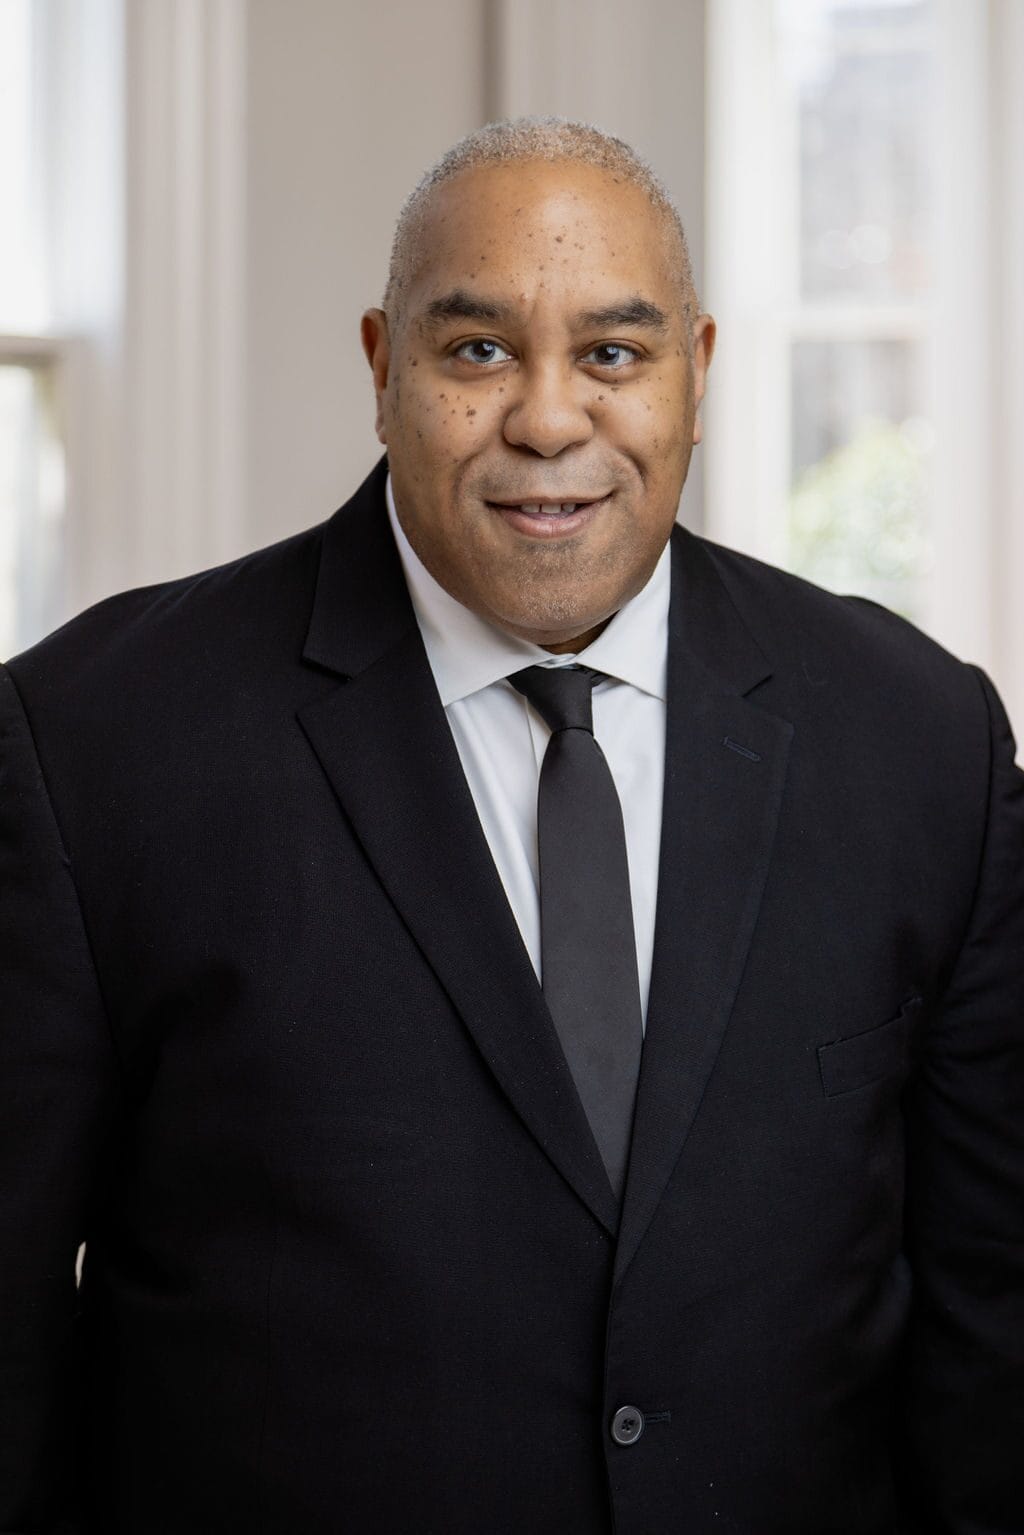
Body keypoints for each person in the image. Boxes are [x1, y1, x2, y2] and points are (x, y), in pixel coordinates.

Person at [1, 117, 1021, 1535]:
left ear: (699, 374)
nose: (548, 420)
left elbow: (993, 1340)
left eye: (613, 352)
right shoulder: (91, 744)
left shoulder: (923, 743)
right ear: (381, 367)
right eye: (477, 352)